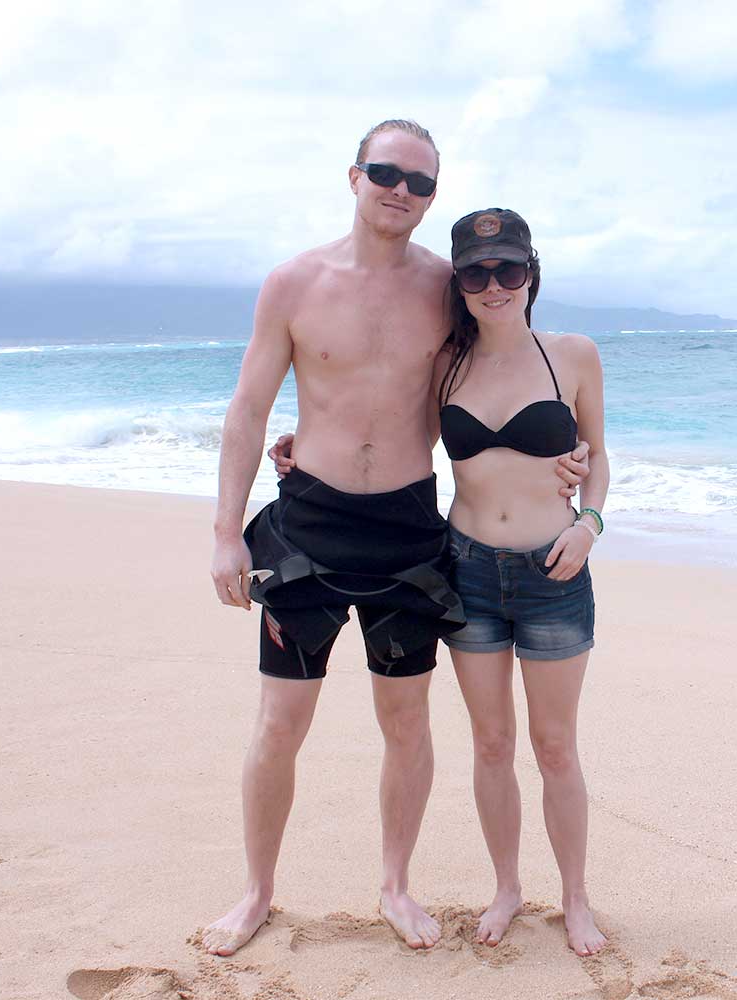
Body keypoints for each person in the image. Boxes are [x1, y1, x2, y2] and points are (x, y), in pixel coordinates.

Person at [205, 120, 587, 957]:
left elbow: (511, 368)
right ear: (354, 176)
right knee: (280, 722)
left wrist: (569, 456)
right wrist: (228, 531)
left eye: (420, 182)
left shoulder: (450, 287)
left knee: (407, 722)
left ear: (433, 196)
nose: (401, 191)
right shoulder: (293, 283)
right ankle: (257, 892)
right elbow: (248, 408)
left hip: (409, 534)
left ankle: (395, 886)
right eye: (387, 173)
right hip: (307, 526)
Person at [274, 208, 611, 956]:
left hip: (556, 572)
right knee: (491, 743)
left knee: (556, 746)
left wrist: (589, 523)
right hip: (469, 571)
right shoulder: (447, 365)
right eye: (477, 273)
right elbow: (387, 426)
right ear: (459, 285)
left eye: (508, 269)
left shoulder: (573, 355)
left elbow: (598, 455)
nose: (495, 285)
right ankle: (507, 888)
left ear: (531, 273)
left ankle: (576, 899)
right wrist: (307, 445)